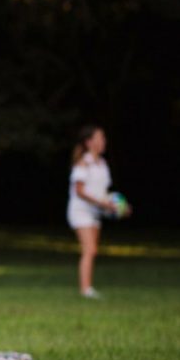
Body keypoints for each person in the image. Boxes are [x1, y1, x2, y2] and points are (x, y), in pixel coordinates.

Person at [67, 125, 124, 299]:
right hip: (80, 211)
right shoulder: (84, 163)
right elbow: (80, 191)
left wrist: (120, 207)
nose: (103, 141)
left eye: (104, 138)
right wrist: (104, 204)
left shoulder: (102, 164)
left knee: (93, 251)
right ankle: (85, 290)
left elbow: (104, 193)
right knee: (89, 250)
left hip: (95, 212)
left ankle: (88, 287)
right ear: (89, 142)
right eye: (99, 138)